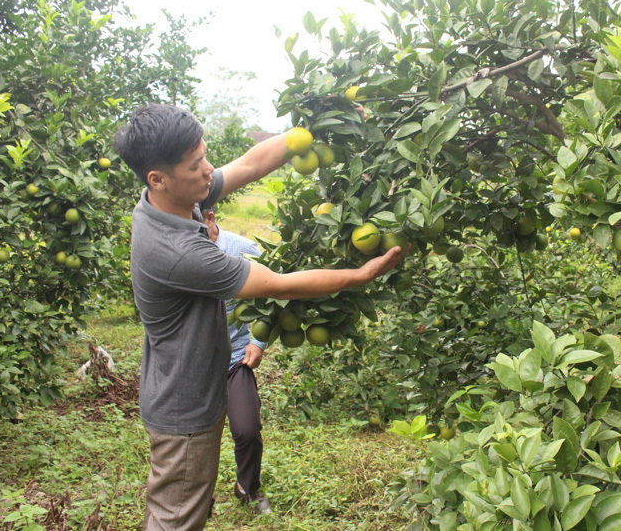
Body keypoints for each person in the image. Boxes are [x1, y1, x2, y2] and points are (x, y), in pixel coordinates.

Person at [113, 103, 407, 531]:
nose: (209, 170)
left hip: (194, 387)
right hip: (185, 408)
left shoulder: (172, 199)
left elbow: (249, 164)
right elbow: (275, 283)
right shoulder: (178, 253)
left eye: (205, 156)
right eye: (197, 164)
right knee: (175, 520)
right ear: (157, 178)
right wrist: (359, 275)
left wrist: (313, 126)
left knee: (186, 508)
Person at [201, 208, 271, 514]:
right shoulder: (178, 253)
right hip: (194, 364)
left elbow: (271, 298)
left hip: (235, 359)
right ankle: (197, 497)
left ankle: (248, 487)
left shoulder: (244, 250)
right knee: (195, 438)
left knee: (246, 429)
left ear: (210, 218)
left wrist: (258, 342)